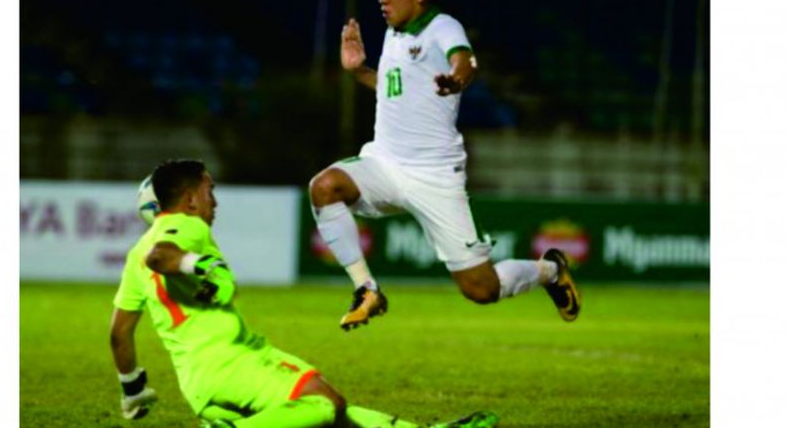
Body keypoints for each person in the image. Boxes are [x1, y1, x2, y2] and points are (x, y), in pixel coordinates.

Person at [109, 159, 500, 428]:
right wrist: (201, 266)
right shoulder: (186, 227)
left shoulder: (133, 255)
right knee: (326, 405)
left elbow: (119, 332)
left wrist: (134, 389)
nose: (215, 200)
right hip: (232, 364)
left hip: (199, 379)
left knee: (328, 412)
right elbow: (163, 256)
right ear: (190, 198)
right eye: (209, 190)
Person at [308, 0, 582, 331]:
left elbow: (464, 61)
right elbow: (397, 90)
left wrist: (457, 79)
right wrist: (359, 71)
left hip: (434, 177)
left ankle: (551, 270)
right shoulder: (394, 33)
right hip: (385, 165)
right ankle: (367, 290)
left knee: (481, 289)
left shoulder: (443, 26)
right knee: (325, 186)